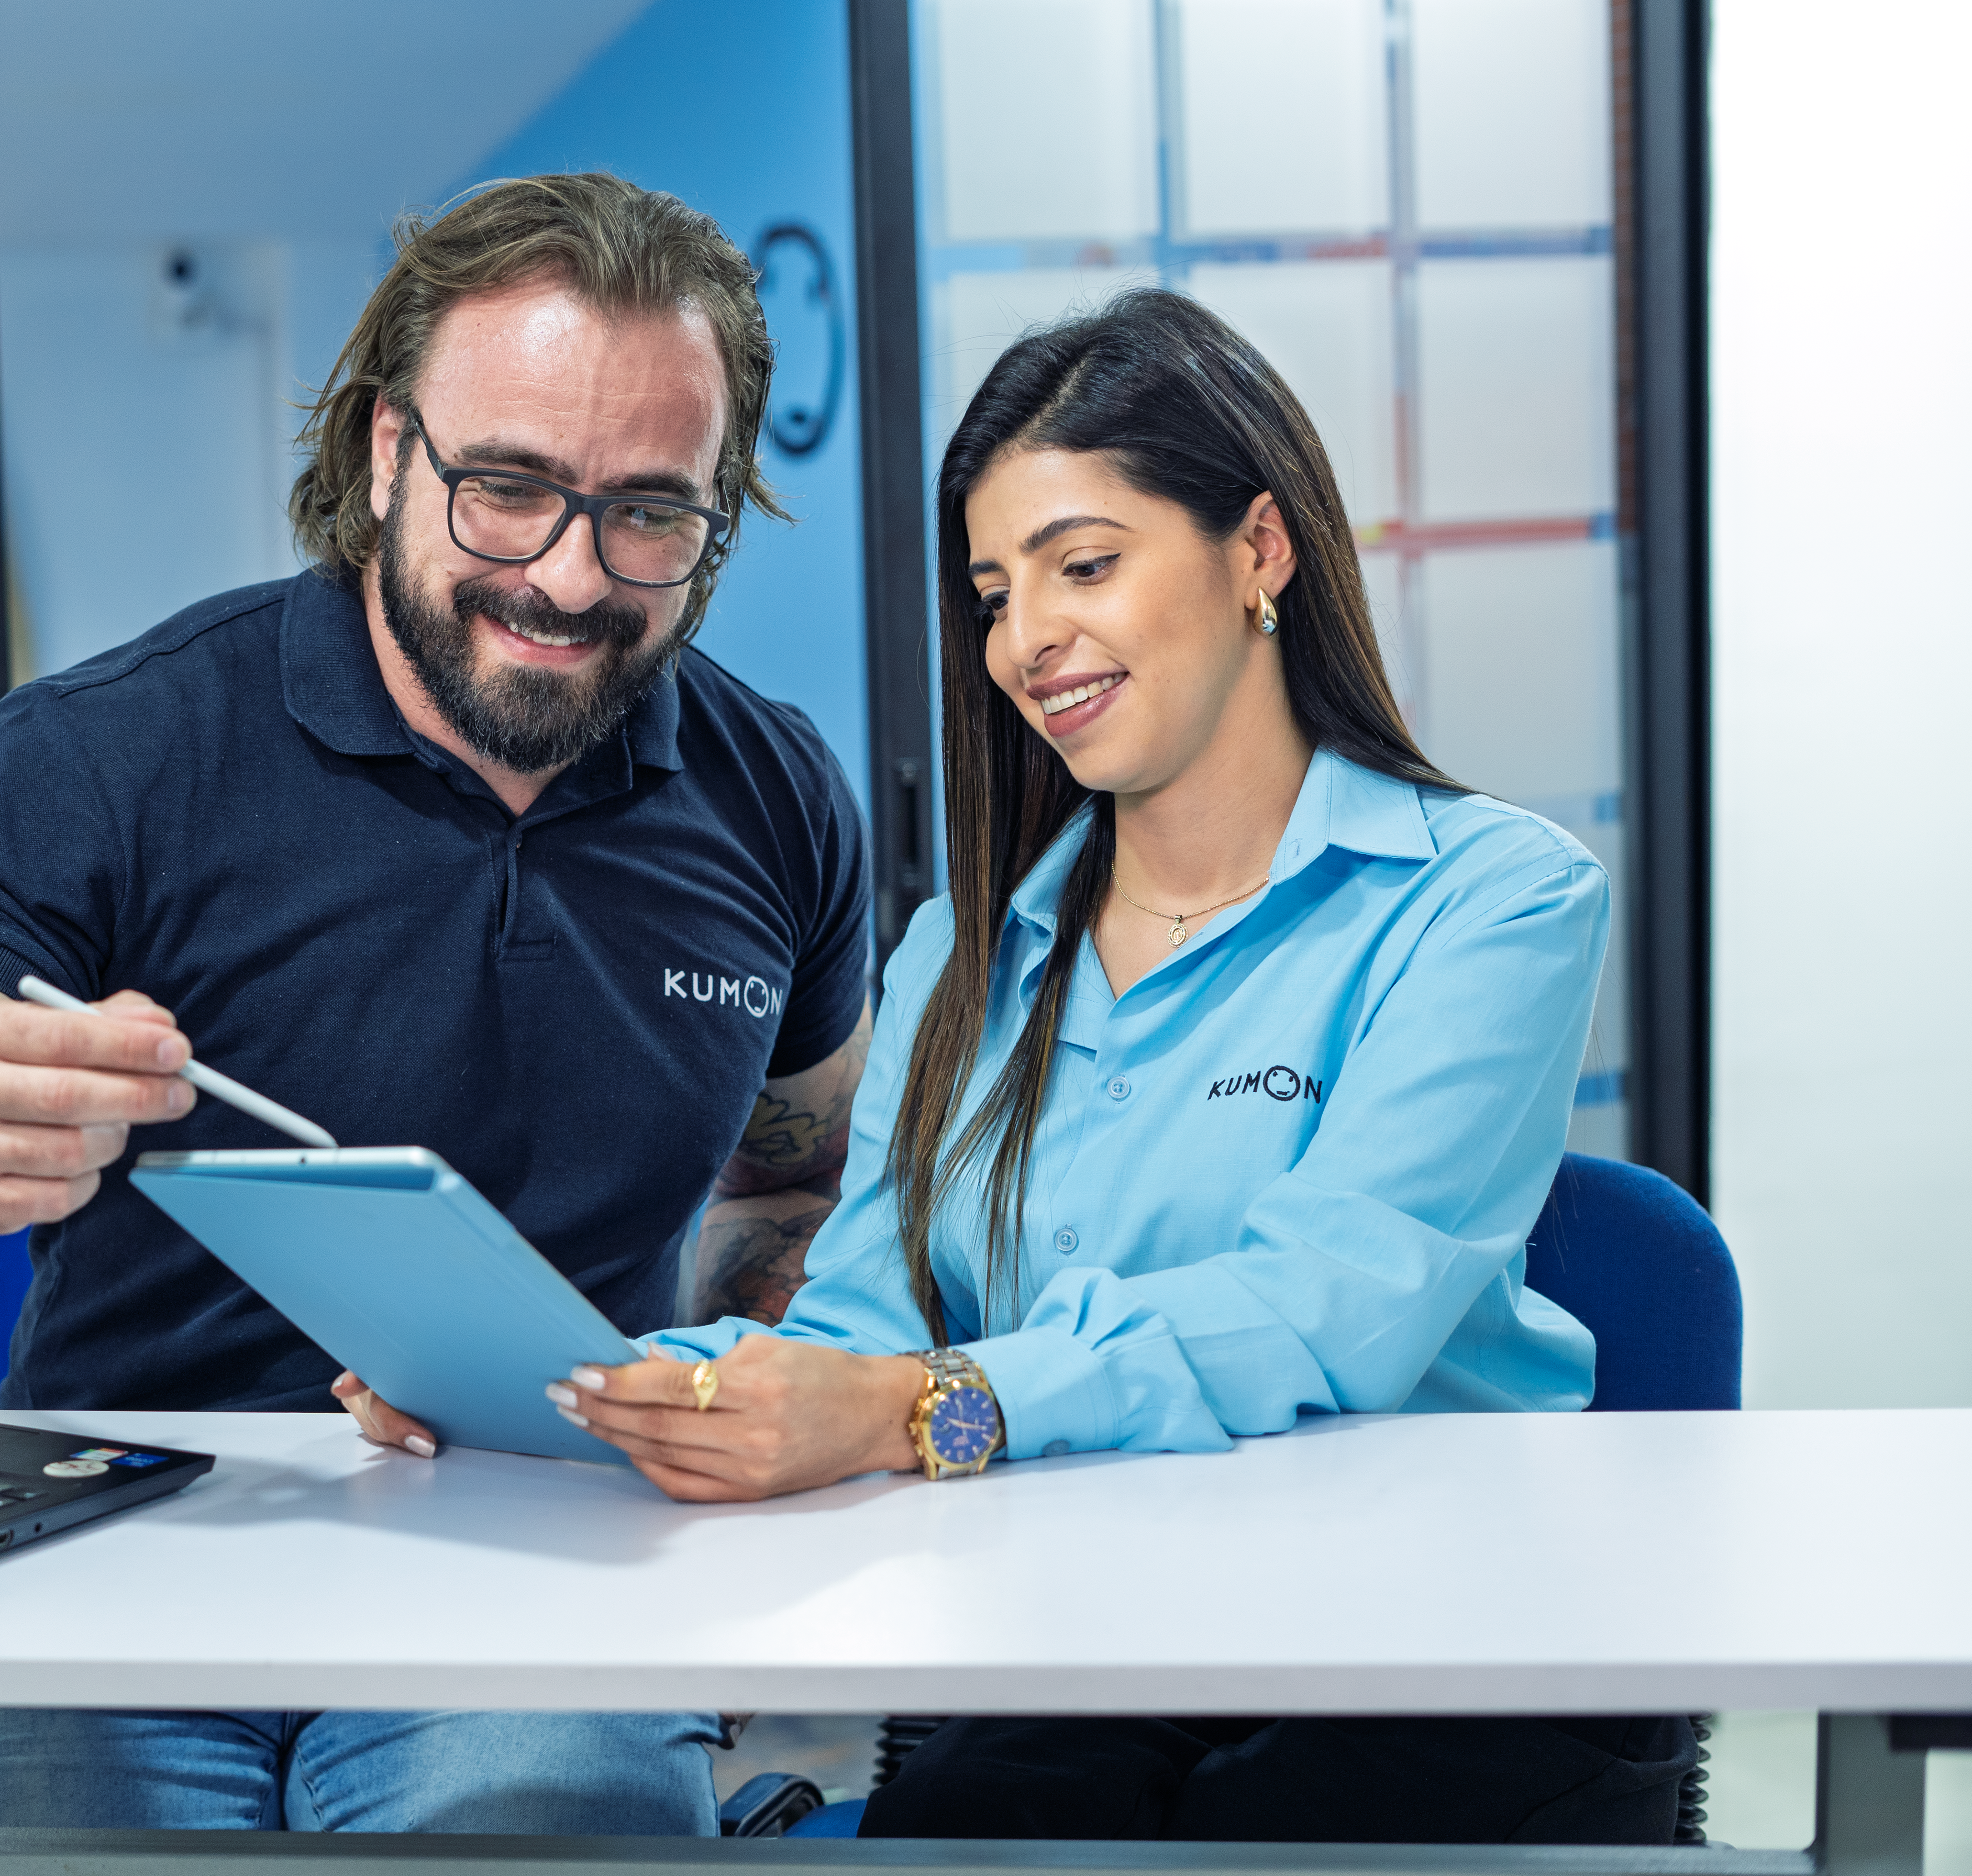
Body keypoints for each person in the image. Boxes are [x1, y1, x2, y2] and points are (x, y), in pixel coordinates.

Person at [516, 290, 1699, 1840]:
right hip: (1084, 1655)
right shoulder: (964, 953)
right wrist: (563, 1389)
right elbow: (863, 1328)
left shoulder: (1493, 900)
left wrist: (920, 1410)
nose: (1025, 642)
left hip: (1436, 1658)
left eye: (1085, 566)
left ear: (1260, 551)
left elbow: (1327, 1306)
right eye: (996, 593)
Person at [0, 174, 874, 1835]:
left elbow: (793, 1184)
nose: (571, 581)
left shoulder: (775, 793)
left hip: (541, 1556)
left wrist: (735, 1353)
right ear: (381, 452)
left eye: (653, 513)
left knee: (546, 1803)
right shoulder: (106, 758)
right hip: (123, 1559)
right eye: (506, 489)